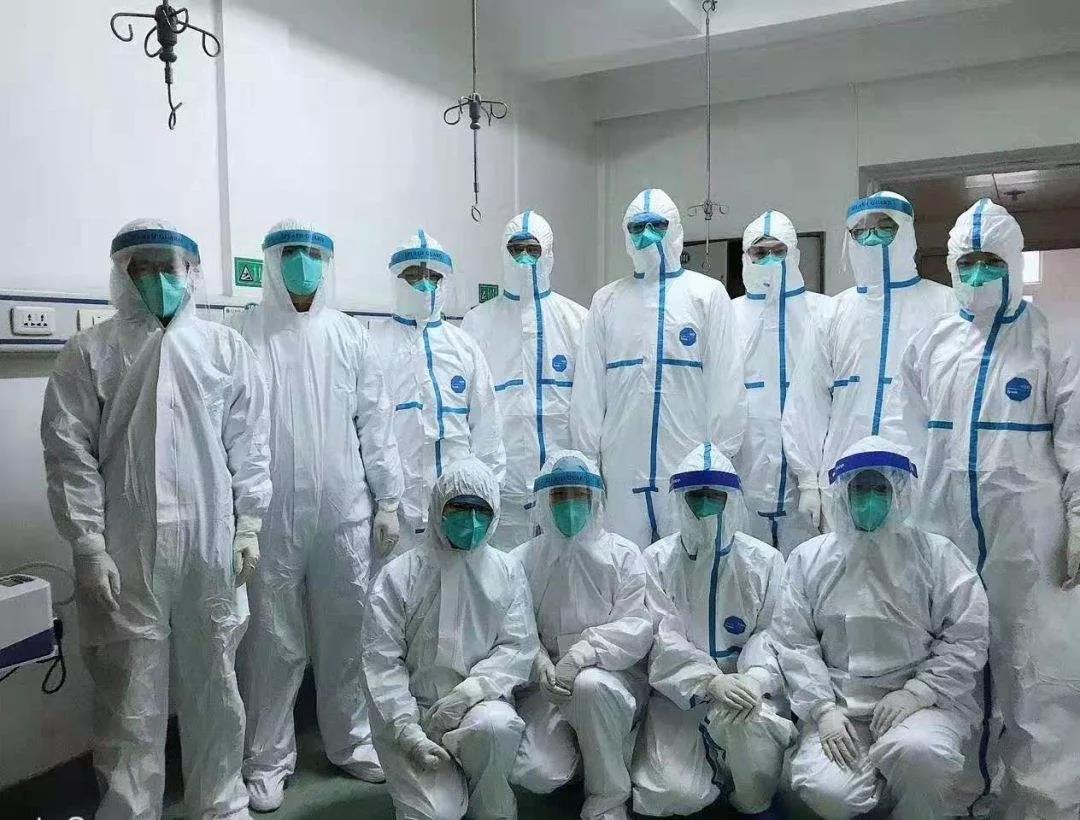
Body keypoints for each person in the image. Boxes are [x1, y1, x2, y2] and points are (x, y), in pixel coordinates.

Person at [41, 220, 272, 820]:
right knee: (130, 689)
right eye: (141, 267)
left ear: (191, 273)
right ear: (122, 275)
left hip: (211, 541)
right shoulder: (89, 353)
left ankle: (221, 802)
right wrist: (88, 544)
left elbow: (250, 446)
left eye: (168, 267)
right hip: (127, 547)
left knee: (215, 677)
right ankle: (130, 809)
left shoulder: (225, 349)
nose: (157, 278)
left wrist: (250, 524)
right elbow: (70, 456)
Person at [888, 199, 1080, 819]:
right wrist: (901, 520)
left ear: (1013, 262)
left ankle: (1039, 801)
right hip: (942, 524)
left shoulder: (1054, 339)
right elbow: (905, 435)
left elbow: (1077, 440)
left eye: (989, 262)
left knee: (1031, 665)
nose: (976, 274)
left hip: (1028, 532)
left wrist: (1079, 519)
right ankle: (954, 793)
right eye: (965, 263)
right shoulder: (930, 343)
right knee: (953, 659)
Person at [232, 220, 404, 809]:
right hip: (272, 514)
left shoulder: (349, 335)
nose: (302, 263)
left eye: (312, 254)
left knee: (347, 631)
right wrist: (242, 516)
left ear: (326, 264)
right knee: (270, 641)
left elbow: (375, 422)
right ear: (271, 260)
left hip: (343, 513)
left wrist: (389, 500)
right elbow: (233, 426)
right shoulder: (245, 332)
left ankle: (351, 741)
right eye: (291, 253)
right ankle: (266, 759)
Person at [773, 436, 989, 820]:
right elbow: (794, 641)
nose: (868, 498)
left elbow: (966, 635)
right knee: (828, 792)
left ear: (899, 493)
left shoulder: (937, 556)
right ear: (843, 493)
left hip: (921, 703)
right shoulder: (810, 559)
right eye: (860, 488)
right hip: (840, 703)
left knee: (922, 755)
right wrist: (822, 710)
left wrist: (919, 691)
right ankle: (876, 788)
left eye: (879, 488)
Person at [361, 458, 537, 820]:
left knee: (496, 727)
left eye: (481, 510)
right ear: (437, 508)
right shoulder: (400, 576)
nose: (471, 520)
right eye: (459, 508)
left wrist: (470, 692)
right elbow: (381, 663)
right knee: (436, 815)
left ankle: (488, 802)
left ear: (494, 514)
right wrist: (408, 733)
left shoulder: (506, 571)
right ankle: (441, 782)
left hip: (478, 703)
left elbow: (517, 646)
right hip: (412, 714)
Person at [571, 189, 747, 549]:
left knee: (690, 557)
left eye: (657, 226)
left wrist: (717, 457)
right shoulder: (606, 301)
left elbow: (726, 384)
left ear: (676, 229)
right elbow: (588, 389)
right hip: (622, 465)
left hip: (686, 462)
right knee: (621, 560)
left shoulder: (707, 295)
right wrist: (589, 460)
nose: (647, 236)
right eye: (637, 228)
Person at [631, 443, 794, 820]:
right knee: (670, 794)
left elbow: (774, 633)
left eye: (715, 495)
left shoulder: (764, 561)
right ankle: (711, 769)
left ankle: (754, 802)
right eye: (696, 495)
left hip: (745, 691)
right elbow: (662, 636)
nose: (705, 504)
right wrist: (708, 680)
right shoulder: (657, 560)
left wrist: (754, 678)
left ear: (731, 499)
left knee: (752, 729)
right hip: (678, 694)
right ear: (680, 499)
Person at [782, 192, 954, 526]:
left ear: (906, 231)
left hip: (919, 475)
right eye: (861, 231)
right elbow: (808, 399)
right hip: (844, 473)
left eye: (884, 227)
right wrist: (808, 480)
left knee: (914, 555)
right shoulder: (834, 312)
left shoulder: (945, 306)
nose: (872, 237)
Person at [511, 451, 652, 820]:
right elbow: (513, 626)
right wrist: (539, 661)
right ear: (544, 500)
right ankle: (591, 753)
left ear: (595, 498)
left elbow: (636, 627)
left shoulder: (623, 555)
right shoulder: (522, 560)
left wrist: (582, 654)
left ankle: (608, 798)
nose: (570, 505)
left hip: (611, 677)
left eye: (579, 494)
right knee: (538, 773)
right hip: (546, 686)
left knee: (590, 687)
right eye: (560, 495)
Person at [368, 229, 505, 556]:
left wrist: (486, 494)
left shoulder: (464, 347)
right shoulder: (372, 345)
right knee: (397, 586)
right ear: (396, 280)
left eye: (433, 276)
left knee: (458, 586)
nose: (425, 284)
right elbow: (366, 434)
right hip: (395, 515)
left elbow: (487, 430)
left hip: (458, 510)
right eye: (414, 276)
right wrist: (384, 504)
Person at [462, 211, 587, 549]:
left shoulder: (577, 321)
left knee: (561, 571)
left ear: (549, 253)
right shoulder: (477, 323)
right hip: (503, 489)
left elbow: (590, 409)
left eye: (533, 249)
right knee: (504, 571)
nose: (524, 258)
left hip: (563, 487)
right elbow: (469, 411)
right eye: (515, 249)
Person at [731, 210, 834, 554]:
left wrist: (812, 480)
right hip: (745, 478)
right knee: (749, 572)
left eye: (779, 251)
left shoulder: (824, 312)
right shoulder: (728, 314)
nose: (770, 260)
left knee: (809, 570)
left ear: (795, 254)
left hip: (810, 484)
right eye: (759, 253)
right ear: (745, 257)